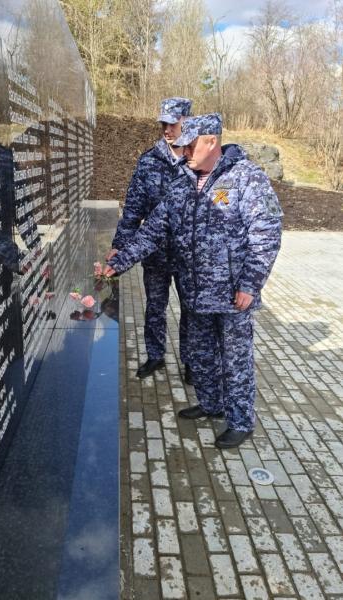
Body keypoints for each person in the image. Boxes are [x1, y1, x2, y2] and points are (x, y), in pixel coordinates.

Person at [104, 113, 283, 448]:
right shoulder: (184, 182)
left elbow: (266, 233)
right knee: (200, 354)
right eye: (182, 145)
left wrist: (250, 283)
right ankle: (212, 404)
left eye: (191, 145)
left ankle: (241, 421)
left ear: (211, 141)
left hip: (232, 295)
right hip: (194, 291)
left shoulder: (246, 177)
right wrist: (120, 263)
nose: (184, 151)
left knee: (235, 360)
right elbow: (153, 230)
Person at [106, 97, 192, 380]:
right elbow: (133, 209)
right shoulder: (149, 161)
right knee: (155, 306)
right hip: (154, 252)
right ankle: (155, 356)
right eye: (163, 124)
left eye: (172, 123)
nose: (166, 129)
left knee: (190, 310)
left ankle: (192, 361)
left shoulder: (197, 160)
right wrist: (119, 246)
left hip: (187, 253)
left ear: (186, 122)